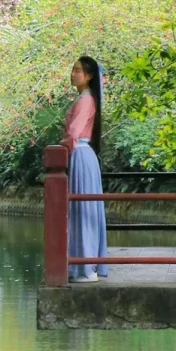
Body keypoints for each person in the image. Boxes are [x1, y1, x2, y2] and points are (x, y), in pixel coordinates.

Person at [64, 55, 108, 280]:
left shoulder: (85, 100)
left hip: (80, 154)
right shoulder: (87, 98)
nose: (73, 74)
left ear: (89, 76)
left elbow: (73, 133)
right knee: (82, 209)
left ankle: (85, 266)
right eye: (73, 69)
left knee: (82, 209)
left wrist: (62, 149)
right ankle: (84, 264)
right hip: (83, 154)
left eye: (78, 70)